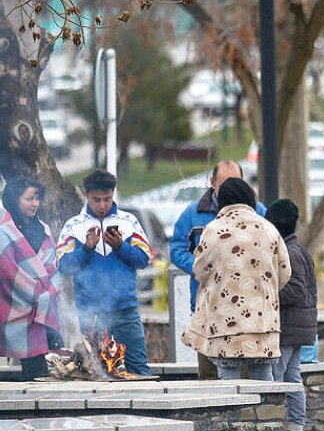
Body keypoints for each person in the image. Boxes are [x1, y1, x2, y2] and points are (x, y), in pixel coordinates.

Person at [182, 178, 290, 380]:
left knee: (228, 383)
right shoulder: (268, 229)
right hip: (263, 323)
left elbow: (199, 270)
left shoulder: (212, 230)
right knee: (264, 382)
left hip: (224, 323)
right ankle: (268, 411)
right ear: (250, 198)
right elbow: (285, 272)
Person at [170, 160, 267, 379]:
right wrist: (198, 268)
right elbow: (177, 249)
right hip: (206, 307)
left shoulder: (259, 212)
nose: (230, 189)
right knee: (209, 375)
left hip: (246, 310)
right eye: (224, 183)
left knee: (246, 377)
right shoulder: (193, 213)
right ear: (212, 183)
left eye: (236, 182)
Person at [57, 170, 151, 375]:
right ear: (86, 194)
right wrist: (86, 250)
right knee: (96, 371)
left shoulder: (129, 222)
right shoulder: (73, 226)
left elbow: (144, 259)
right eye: (96, 200)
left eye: (107, 199)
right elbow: (64, 266)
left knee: (139, 369)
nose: (102, 205)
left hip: (125, 309)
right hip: (91, 314)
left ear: (113, 194)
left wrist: (121, 247)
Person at [266, 199, 318, 431]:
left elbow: (295, 290)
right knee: (292, 376)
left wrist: (267, 295)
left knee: (279, 376)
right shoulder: (299, 249)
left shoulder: (290, 253)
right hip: (301, 325)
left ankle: (279, 425)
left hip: (289, 326)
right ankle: (296, 429)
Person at [0, 178, 61, 380]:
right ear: (13, 200)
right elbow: (9, 271)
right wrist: (39, 295)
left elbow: (53, 265)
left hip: (41, 311)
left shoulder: (42, 229)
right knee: (33, 371)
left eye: (36, 198)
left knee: (38, 371)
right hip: (14, 305)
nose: (35, 203)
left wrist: (49, 292)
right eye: (29, 198)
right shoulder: (4, 232)